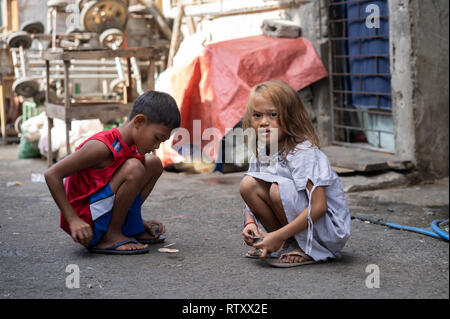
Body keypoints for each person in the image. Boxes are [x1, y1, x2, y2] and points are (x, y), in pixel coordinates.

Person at [44, 91, 181, 255]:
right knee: (134, 168)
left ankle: (130, 225)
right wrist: (73, 220)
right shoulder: (102, 146)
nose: (157, 146)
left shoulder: (131, 145)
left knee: (153, 163)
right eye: (157, 138)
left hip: (101, 209)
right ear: (139, 121)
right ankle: (111, 235)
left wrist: (138, 221)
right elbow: (52, 174)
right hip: (86, 223)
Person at [239, 80, 351, 267]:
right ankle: (286, 243)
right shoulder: (262, 151)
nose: (264, 122)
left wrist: (277, 234)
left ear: (290, 116)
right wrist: (249, 224)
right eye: (257, 115)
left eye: (273, 115)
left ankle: (305, 247)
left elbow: (319, 206)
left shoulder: (302, 152)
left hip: (326, 230)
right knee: (248, 184)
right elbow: (249, 197)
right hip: (299, 222)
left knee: (277, 189)